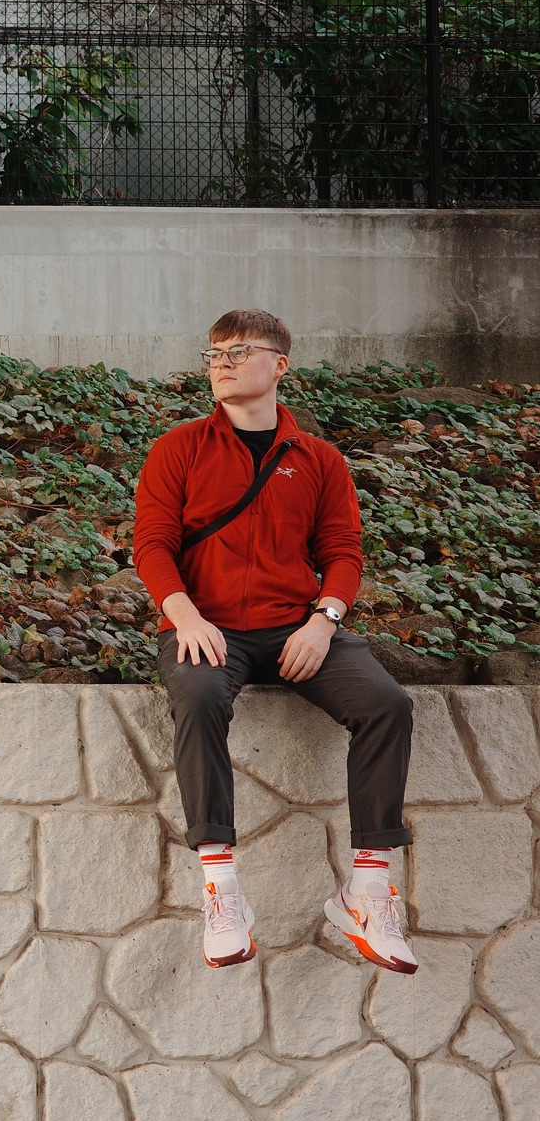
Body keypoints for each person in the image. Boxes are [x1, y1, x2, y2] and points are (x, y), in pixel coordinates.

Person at [133, 309, 417, 974]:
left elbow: (343, 550)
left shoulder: (317, 460)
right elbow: (152, 544)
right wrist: (185, 617)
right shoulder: (180, 449)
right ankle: (221, 889)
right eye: (213, 354)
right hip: (207, 627)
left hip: (297, 626)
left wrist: (324, 620)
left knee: (388, 705)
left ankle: (368, 888)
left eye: (239, 351)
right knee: (199, 693)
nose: (222, 363)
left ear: (280, 365)